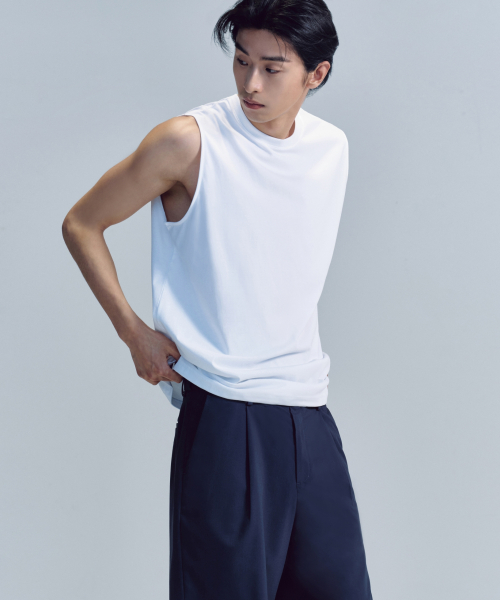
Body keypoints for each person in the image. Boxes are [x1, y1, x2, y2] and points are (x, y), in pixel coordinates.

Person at [62, 0, 373, 597]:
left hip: (308, 406)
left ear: (317, 74)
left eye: (272, 69)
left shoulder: (330, 147)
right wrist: (133, 333)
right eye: (241, 61)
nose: (250, 83)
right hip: (227, 411)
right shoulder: (188, 141)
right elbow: (82, 222)